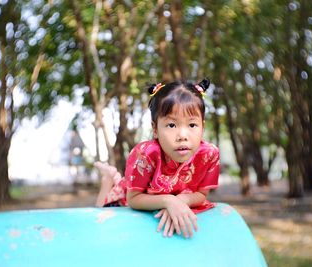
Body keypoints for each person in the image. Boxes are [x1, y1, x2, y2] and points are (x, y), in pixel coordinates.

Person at [94, 78, 220, 239]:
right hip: (136, 193)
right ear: (155, 129)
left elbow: (202, 194)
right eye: (172, 125)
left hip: (173, 194)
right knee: (100, 215)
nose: (182, 135)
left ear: (203, 127)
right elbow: (133, 199)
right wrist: (169, 201)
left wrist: (181, 200)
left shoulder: (209, 154)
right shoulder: (146, 153)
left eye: (192, 125)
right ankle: (108, 179)